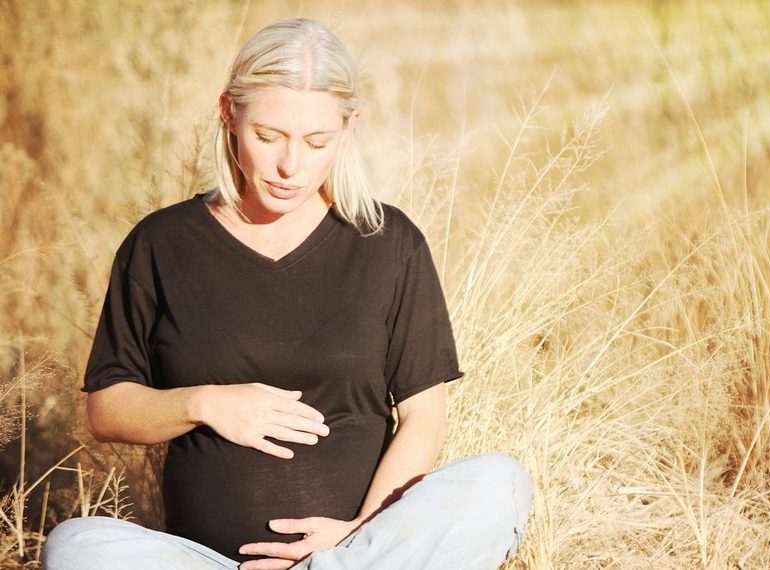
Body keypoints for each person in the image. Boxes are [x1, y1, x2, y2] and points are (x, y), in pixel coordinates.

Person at [42, 18, 532, 570]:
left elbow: (424, 416)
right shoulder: (161, 243)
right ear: (230, 113)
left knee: (501, 484)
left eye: (316, 141)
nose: (289, 166)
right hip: (206, 561)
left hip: (355, 552)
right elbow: (107, 410)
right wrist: (206, 403)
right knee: (76, 545)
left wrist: (356, 535)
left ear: (349, 128)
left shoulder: (389, 243)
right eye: (268, 136)